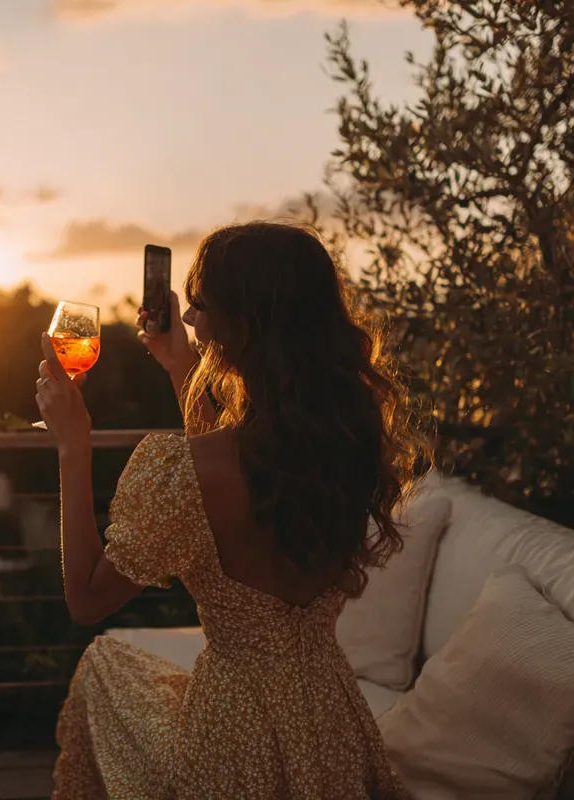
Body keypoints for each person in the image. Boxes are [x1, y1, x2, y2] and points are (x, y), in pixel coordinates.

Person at [35, 222, 424, 799]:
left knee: (104, 666)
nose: (189, 318)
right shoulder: (348, 445)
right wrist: (181, 368)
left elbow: (87, 600)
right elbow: (247, 484)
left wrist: (73, 445)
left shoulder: (186, 471)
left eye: (201, 304)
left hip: (230, 740)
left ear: (246, 324)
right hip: (330, 727)